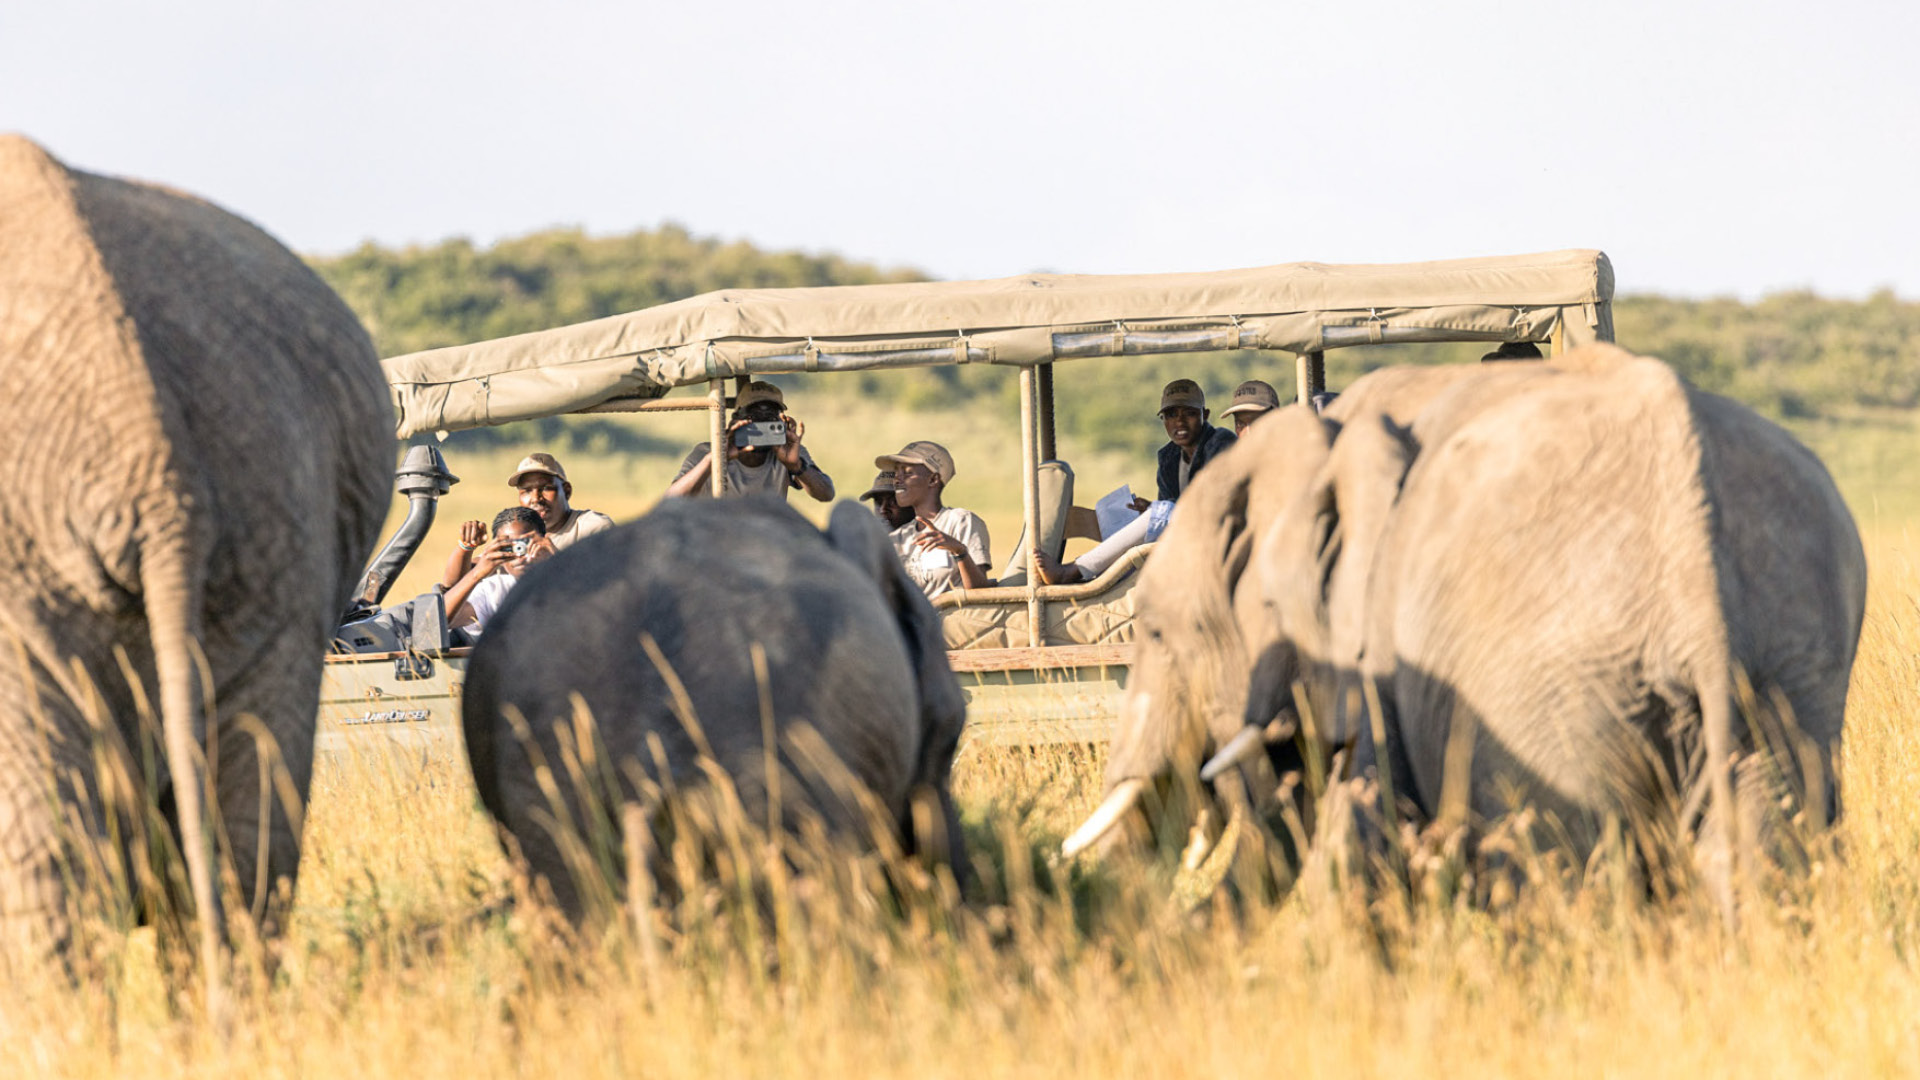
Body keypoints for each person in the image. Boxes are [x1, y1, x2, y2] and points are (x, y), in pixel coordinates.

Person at [440, 452, 613, 590]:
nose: (535, 498)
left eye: (546, 488)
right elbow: (453, 586)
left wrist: (553, 560)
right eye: (526, 491)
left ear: (566, 491)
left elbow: (607, 584)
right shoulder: (515, 536)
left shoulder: (591, 527)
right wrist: (465, 547)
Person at [665, 381, 834, 501]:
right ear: (736, 420)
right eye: (754, 418)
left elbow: (826, 494)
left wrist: (796, 467)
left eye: (769, 419)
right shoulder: (707, 453)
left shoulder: (787, 451)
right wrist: (714, 459)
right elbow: (671, 500)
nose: (761, 426)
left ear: (782, 422)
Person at [876, 441, 990, 598]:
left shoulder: (962, 521)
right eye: (896, 472)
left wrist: (959, 551)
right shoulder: (898, 538)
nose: (897, 479)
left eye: (907, 472)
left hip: (956, 619)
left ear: (933, 480)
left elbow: (981, 593)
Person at [445, 507, 555, 637]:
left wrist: (556, 560)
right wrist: (477, 573)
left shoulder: (565, 576)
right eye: (508, 547)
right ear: (495, 549)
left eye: (525, 544)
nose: (519, 554)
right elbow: (436, 622)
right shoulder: (494, 591)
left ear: (544, 541)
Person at [1131, 378, 1236, 510]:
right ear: (1163, 419)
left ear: (1205, 415)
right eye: (1171, 415)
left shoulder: (1221, 443)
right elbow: (1167, 515)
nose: (1180, 422)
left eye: (1189, 414)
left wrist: (1155, 509)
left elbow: (1214, 503)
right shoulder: (1167, 458)